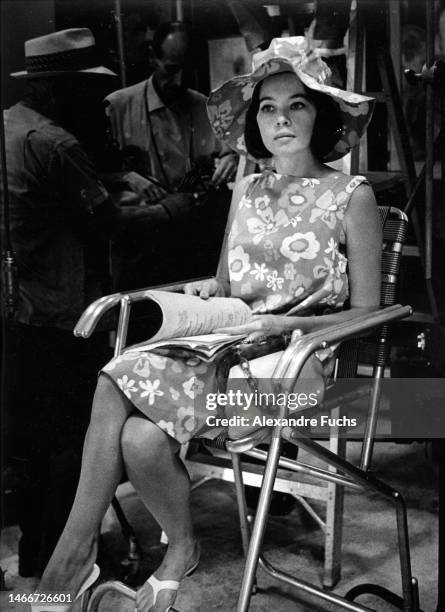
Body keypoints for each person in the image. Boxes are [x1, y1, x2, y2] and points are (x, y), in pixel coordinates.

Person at [37, 36, 380, 612]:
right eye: (267, 108)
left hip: (301, 374)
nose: (281, 119)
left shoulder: (351, 195)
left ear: (320, 113)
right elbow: (227, 282)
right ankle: (169, 549)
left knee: (124, 393)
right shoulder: (246, 189)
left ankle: (69, 562)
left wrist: (287, 330)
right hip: (230, 352)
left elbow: (371, 311)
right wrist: (205, 293)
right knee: (135, 426)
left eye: (297, 104)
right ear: (255, 122)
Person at [1, 28, 199, 577]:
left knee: (32, 444)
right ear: (59, 88)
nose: (93, 101)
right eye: (84, 89)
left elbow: (55, 191)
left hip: (19, 311)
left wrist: (117, 173)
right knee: (75, 440)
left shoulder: (12, 127)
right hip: (66, 314)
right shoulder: (56, 143)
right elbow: (110, 226)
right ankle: (72, 562)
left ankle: (37, 560)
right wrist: (178, 208)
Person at [104, 21, 239, 287]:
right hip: (139, 245)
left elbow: (229, 154)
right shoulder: (117, 106)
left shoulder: (204, 107)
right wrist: (127, 177)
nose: (178, 81)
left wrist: (230, 160)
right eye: (171, 69)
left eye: (185, 71)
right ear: (153, 58)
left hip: (191, 241)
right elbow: (90, 176)